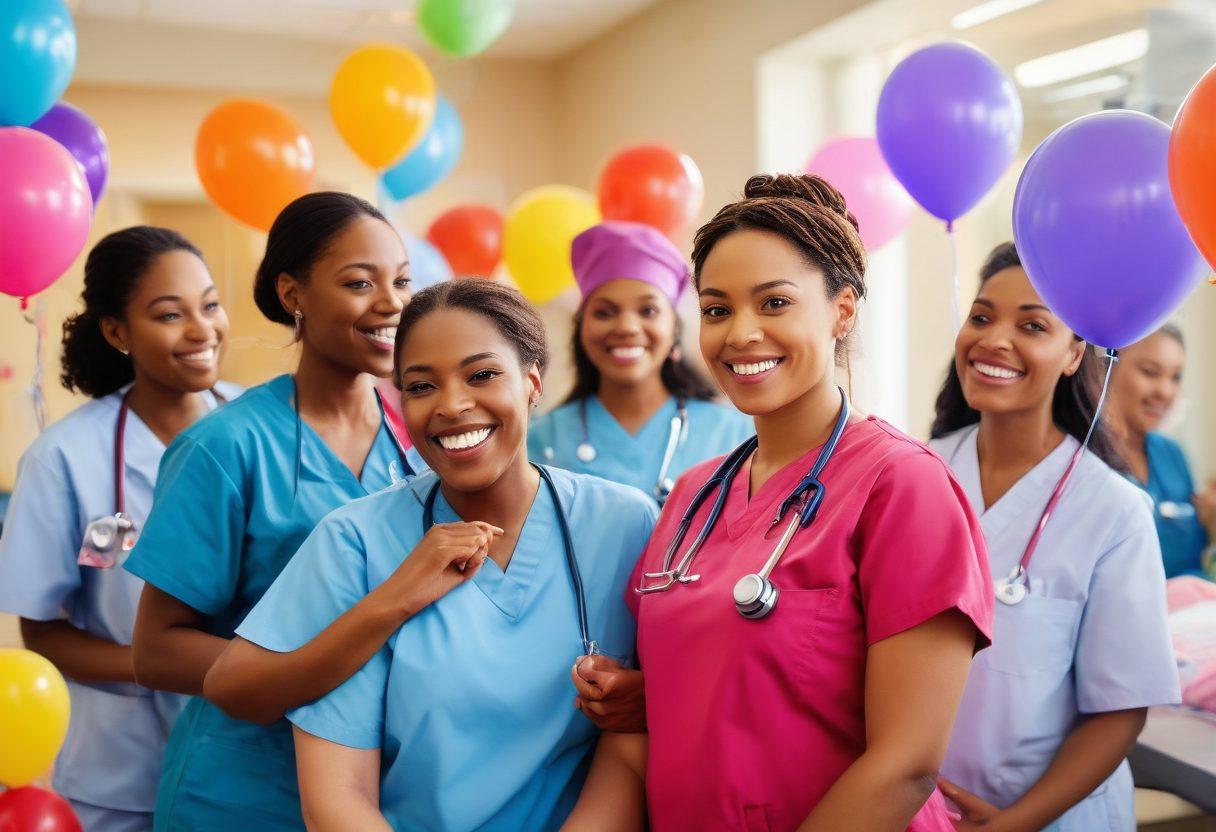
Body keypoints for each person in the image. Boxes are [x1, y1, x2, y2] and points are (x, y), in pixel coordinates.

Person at [566, 174, 993, 832]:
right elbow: (651, 725)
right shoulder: (692, 495)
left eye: (774, 303)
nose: (740, 334)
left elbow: (906, 763)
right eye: (716, 309)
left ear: (842, 310)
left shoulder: (903, 486)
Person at [234, 280, 658, 831]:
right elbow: (336, 794)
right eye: (420, 386)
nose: (452, 405)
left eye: (482, 375)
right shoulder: (355, 544)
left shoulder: (623, 524)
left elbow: (629, 744)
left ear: (532, 383)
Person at [123, 193, 420, 830]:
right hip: (241, 793)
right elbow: (155, 650)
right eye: (359, 282)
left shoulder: (421, 443)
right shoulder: (226, 447)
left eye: (401, 280)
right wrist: (301, 671)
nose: (391, 302)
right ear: (294, 294)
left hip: (373, 791)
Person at [929, 242, 1180, 831]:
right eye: (982, 316)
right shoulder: (914, 474)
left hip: (1054, 820)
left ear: (1074, 353)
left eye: (1032, 325)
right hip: (922, 811)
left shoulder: (1114, 512)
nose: (993, 340)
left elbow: (1118, 712)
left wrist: (1012, 824)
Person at [0, 226, 239, 832]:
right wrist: (162, 662)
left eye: (209, 305)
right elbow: (41, 630)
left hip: (247, 753)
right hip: (120, 773)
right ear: (116, 332)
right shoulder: (66, 458)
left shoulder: (259, 428)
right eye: (169, 314)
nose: (200, 329)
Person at [529, 221, 752, 504]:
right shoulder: (542, 439)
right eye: (605, 312)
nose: (627, 327)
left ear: (674, 327)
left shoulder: (736, 434)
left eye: (648, 310)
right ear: (581, 325)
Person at [1107, 324, 1215, 578]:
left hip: (1187, 613)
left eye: (1175, 377)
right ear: (1110, 366)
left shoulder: (1172, 455)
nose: (1165, 391)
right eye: (1150, 372)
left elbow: (1194, 561)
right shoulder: (1085, 456)